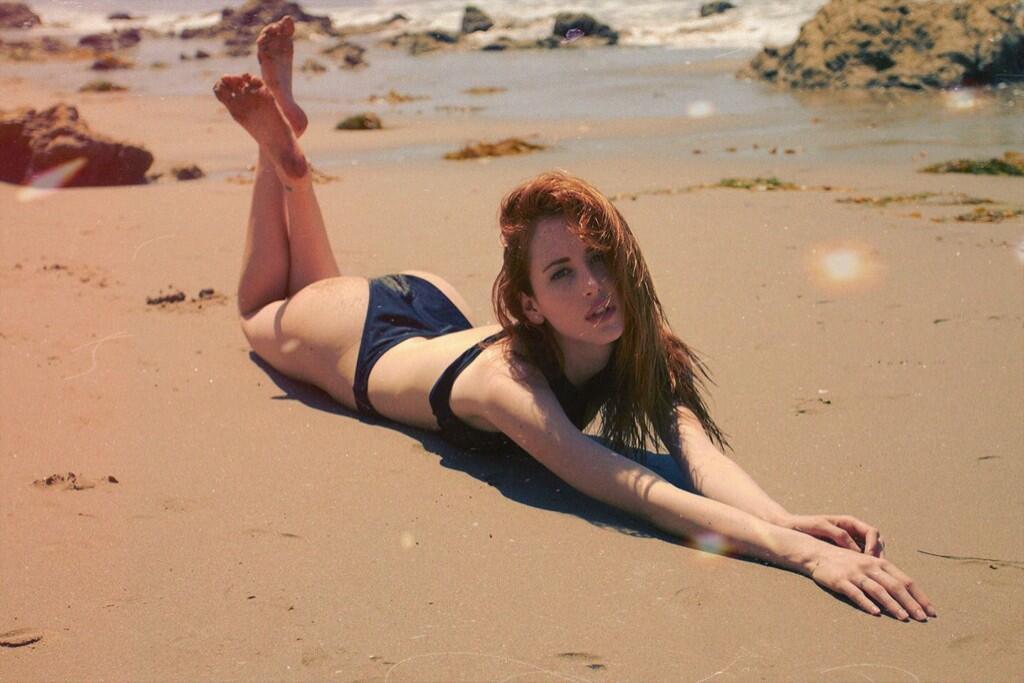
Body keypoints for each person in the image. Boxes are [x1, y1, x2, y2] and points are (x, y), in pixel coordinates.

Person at [213, 16, 936, 622]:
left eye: (598, 260)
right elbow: (632, 488)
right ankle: (281, 161)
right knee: (258, 311)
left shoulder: (634, 343)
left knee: (307, 288)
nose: (595, 287)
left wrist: (784, 517)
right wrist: (803, 557)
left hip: (436, 316)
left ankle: (287, 151)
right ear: (529, 301)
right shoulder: (510, 388)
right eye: (562, 273)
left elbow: (695, 457)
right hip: (369, 334)